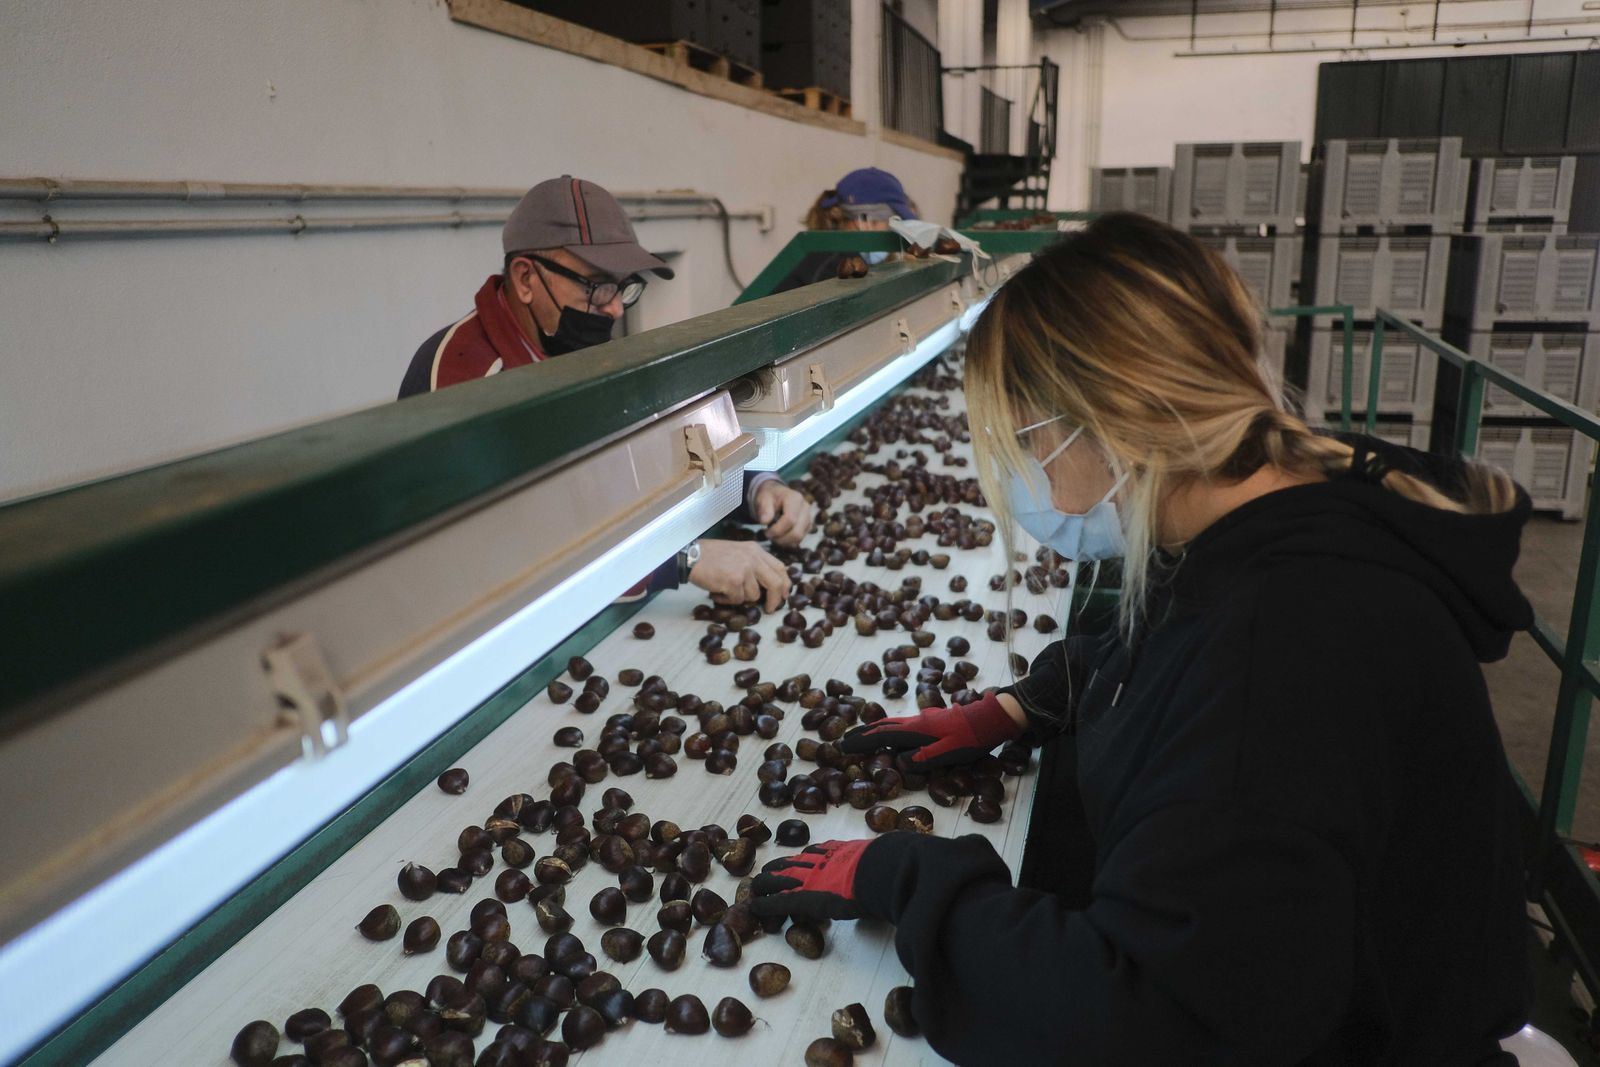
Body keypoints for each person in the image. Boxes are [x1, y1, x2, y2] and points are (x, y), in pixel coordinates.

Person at [750, 212, 1533, 1064]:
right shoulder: (1286, 522)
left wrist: (910, 877)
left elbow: (1139, 1015)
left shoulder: (1285, 655)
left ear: (1109, 418)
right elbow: (1180, 640)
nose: (1025, 471)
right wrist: (1023, 704)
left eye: (1027, 439)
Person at [399, 175, 811, 608]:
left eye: (622, 286)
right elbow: (491, 557)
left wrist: (754, 488)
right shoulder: (463, 376)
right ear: (525, 278)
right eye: (596, 285)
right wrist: (683, 562)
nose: (614, 308)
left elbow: (645, 453)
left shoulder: (573, 345)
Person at [770, 167, 920, 294]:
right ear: (865, 220)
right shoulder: (833, 266)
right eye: (892, 225)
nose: (894, 234)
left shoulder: (843, 257)